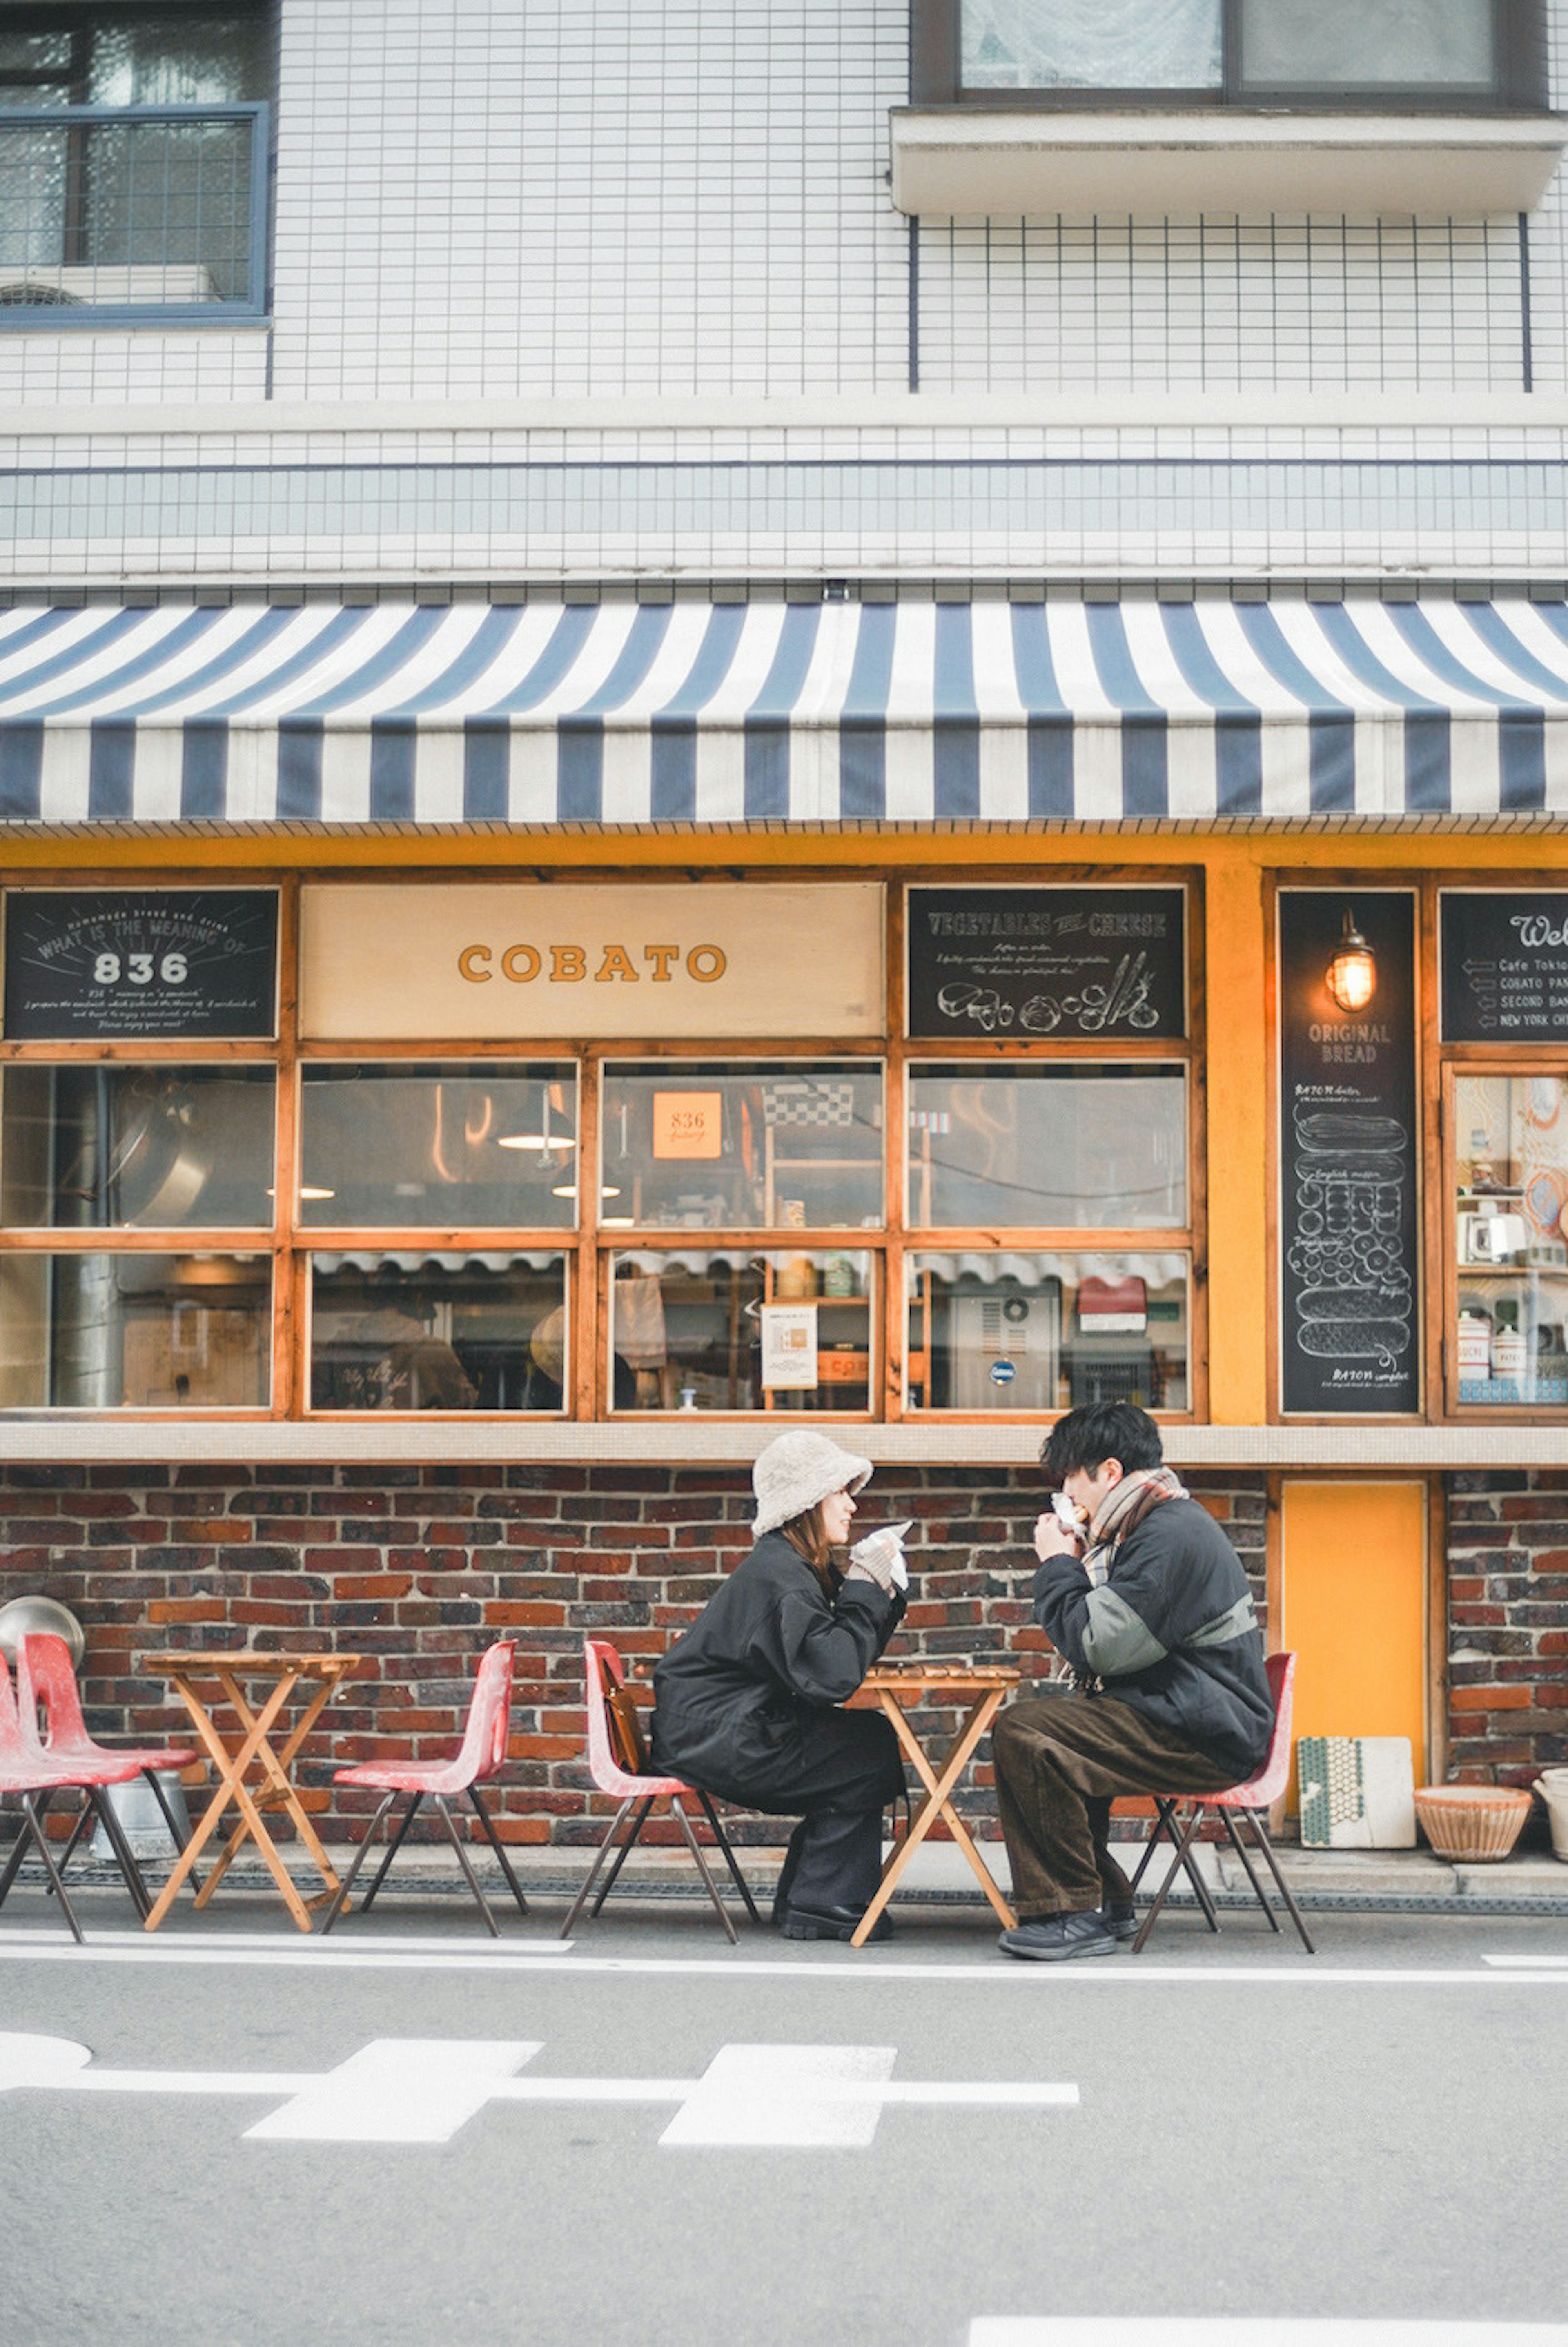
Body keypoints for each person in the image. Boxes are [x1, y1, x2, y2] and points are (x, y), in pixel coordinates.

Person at [991, 1401, 1274, 1964]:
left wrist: (1056, 1565)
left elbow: (1101, 1644)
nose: (1069, 1492)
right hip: (1192, 1715)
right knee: (1058, 1724)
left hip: (1205, 1735)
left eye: (1074, 1475)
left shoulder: (1169, 1535)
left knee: (1028, 1732)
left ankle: (1072, 1912)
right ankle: (1104, 1901)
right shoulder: (1154, 1524)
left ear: (1111, 1472)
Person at [650, 1430, 907, 1942]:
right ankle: (824, 1900)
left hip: (712, 1727)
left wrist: (880, 1592)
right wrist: (864, 1587)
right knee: (861, 1749)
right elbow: (833, 1675)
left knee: (862, 1741)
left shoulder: (788, 1567)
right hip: (721, 1735)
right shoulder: (784, 1578)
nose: (853, 1506)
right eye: (842, 1492)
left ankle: (813, 1894)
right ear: (810, 1501)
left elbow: (834, 1661)